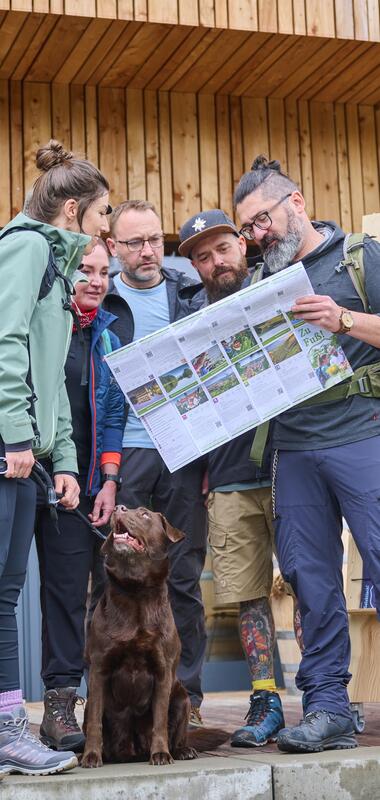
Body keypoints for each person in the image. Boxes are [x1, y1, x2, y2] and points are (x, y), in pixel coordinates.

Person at [234, 154, 380, 753]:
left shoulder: (362, 258)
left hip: (363, 434)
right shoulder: (255, 284)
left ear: (296, 202)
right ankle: (327, 709)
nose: (254, 235)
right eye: (247, 228)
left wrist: (344, 317)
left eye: (260, 219)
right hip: (291, 449)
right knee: (310, 581)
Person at [0, 139, 111, 775]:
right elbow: (6, 341)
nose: (104, 227)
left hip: (31, 457)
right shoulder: (28, 247)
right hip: (7, 450)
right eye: (100, 215)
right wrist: (16, 436)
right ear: (72, 210)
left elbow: (53, 374)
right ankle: (10, 729)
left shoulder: (60, 266)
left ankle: (9, 727)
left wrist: (64, 460)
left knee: (7, 592)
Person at [177, 209, 288, 746]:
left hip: (295, 466)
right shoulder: (188, 321)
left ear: (243, 245)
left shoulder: (281, 289)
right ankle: (265, 699)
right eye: (201, 256)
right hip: (225, 479)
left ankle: (329, 697)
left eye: (222, 248)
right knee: (247, 597)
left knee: (312, 590)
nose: (214, 261)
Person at [103, 200, 207, 726]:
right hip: (126, 451)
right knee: (114, 576)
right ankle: (108, 702)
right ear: (112, 246)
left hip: (184, 450)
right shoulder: (104, 297)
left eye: (155, 241)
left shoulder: (188, 292)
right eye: (136, 243)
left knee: (183, 576)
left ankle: (187, 698)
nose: (149, 252)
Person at [35, 239, 125, 753]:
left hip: (79, 482)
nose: (95, 280)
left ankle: (60, 705)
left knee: (69, 595)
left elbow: (114, 415)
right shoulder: (36, 323)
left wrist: (109, 481)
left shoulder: (107, 338)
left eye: (104, 272)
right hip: (23, 468)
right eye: (85, 270)